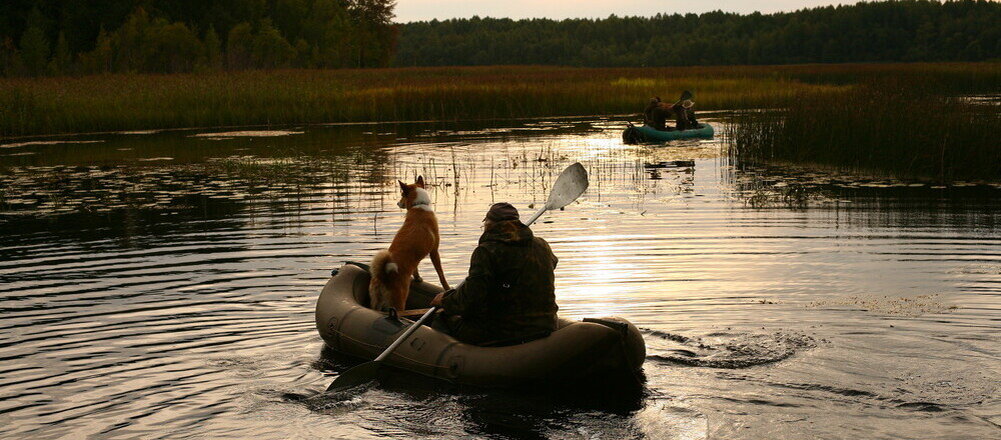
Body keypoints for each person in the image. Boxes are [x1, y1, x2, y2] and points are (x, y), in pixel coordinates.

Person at [430, 202, 559, 346]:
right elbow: (552, 263)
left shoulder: (486, 251)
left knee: (441, 319)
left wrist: (445, 301)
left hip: (502, 331)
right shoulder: (542, 245)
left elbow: (472, 298)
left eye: (485, 223)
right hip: (546, 326)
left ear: (490, 224)